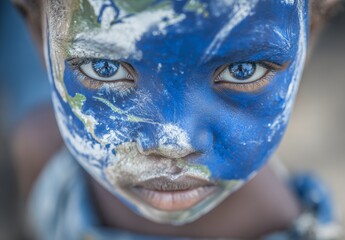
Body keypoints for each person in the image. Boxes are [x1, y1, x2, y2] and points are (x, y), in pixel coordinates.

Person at [12, 0, 343, 239]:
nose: (173, 142)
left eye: (242, 71)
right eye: (105, 68)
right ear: (38, 35)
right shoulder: (42, 151)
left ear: (309, 38)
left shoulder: (285, 224)